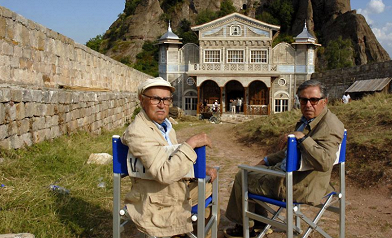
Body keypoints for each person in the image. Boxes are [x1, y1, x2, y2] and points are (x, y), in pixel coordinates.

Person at [223, 79, 344, 238]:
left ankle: (245, 227)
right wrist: (266, 160)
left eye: (313, 100)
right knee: (252, 172)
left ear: (324, 101)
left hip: (299, 184)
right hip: (291, 175)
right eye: (303, 99)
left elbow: (325, 162)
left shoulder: (329, 127)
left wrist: (301, 138)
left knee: (242, 177)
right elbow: (289, 152)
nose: (308, 104)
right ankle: (259, 223)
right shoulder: (310, 120)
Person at [121, 77, 217, 238]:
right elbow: (164, 173)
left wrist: (197, 167)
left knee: (210, 185)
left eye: (166, 99)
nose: (162, 104)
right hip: (156, 199)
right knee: (208, 191)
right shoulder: (138, 131)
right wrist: (191, 143)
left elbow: (171, 157)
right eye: (155, 99)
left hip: (173, 188)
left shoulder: (165, 127)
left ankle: (196, 232)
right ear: (141, 100)